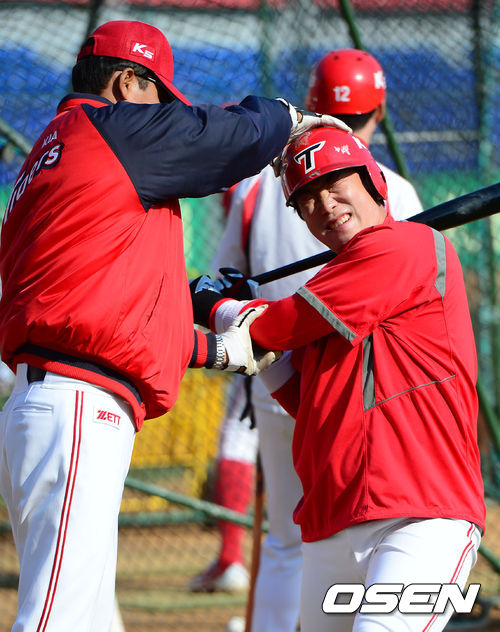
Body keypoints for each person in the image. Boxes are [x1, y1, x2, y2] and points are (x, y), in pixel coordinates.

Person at [0, 19, 351, 630]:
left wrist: (216, 351)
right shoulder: (109, 130)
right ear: (126, 82)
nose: (165, 113)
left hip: (56, 401)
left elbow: (107, 312)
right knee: (57, 619)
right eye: (158, 96)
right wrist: (288, 120)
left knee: (88, 617)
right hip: (77, 406)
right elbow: (226, 135)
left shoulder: (51, 153)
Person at [191, 126, 485, 632]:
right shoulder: (328, 291)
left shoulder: (408, 244)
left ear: (371, 181)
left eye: (334, 183)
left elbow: (276, 326)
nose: (324, 205)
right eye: (306, 199)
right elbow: (302, 398)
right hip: (332, 519)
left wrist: (219, 306)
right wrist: (249, 327)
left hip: (418, 515)